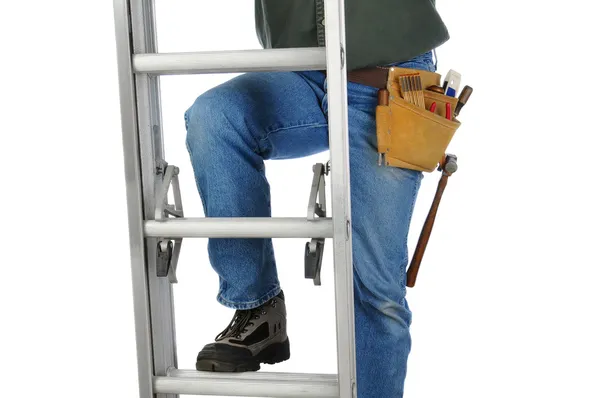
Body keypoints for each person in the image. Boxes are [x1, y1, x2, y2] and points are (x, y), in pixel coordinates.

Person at [184, 1, 450, 396]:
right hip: (301, 73)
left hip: (387, 78)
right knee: (216, 115)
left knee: (376, 286)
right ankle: (258, 308)